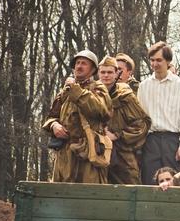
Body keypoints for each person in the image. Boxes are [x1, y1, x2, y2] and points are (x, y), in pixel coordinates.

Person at [42, 49, 112, 183]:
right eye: (77, 63)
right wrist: (54, 125)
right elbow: (51, 116)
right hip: (65, 154)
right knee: (61, 192)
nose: (79, 66)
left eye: (84, 63)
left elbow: (101, 111)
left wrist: (75, 90)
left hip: (88, 153)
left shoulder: (98, 88)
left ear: (93, 69)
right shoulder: (65, 91)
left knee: (89, 192)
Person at [138, 41, 180, 184]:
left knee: (175, 183)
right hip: (151, 141)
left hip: (172, 141)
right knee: (150, 182)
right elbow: (140, 118)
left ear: (168, 61)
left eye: (159, 60)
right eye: (152, 60)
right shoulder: (144, 86)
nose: (155, 64)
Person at [97, 56, 151, 184]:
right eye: (103, 72)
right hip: (96, 152)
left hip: (122, 153)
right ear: (98, 73)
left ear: (116, 73)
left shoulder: (125, 95)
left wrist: (117, 135)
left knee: (130, 188)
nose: (106, 75)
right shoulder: (91, 94)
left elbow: (142, 123)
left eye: (110, 72)